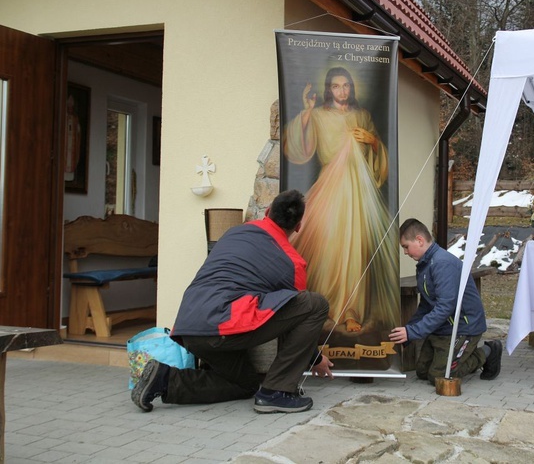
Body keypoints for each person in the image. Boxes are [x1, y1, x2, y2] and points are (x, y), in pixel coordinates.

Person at [131, 190, 334, 414]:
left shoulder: (234, 232)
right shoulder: (293, 263)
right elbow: (296, 317)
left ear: (267, 212)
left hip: (188, 327)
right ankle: (277, 392)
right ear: (298, 226)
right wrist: (314, 359)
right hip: (221, 329)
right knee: (315, 304)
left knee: (245, 384)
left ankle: (165, 379)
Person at [283, 66, 399, 334]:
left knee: (356, 249)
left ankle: (351, 311)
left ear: (351, 88)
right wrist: (307, 112)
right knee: (327, 246)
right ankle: (322, 307)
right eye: (336, 86)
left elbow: (380, 159)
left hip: (359, 193)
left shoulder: (362, 115)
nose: (342, 91)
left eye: (346, 85)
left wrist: (372, 141)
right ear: (328, 89)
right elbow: (298, 147)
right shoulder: (320, 116)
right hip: (329, 189)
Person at [390, 218, 503, 384]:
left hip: (463, 327)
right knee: (422, 372)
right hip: (443, 327)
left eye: (406, 246)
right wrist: (408, 332)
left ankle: (487, 352)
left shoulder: (442, 264)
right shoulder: (424, 265)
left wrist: (413, 332)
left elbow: (445, 307)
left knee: (439, 377)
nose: (405, 252)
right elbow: (426, 305)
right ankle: (459, 356)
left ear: (419, 240)